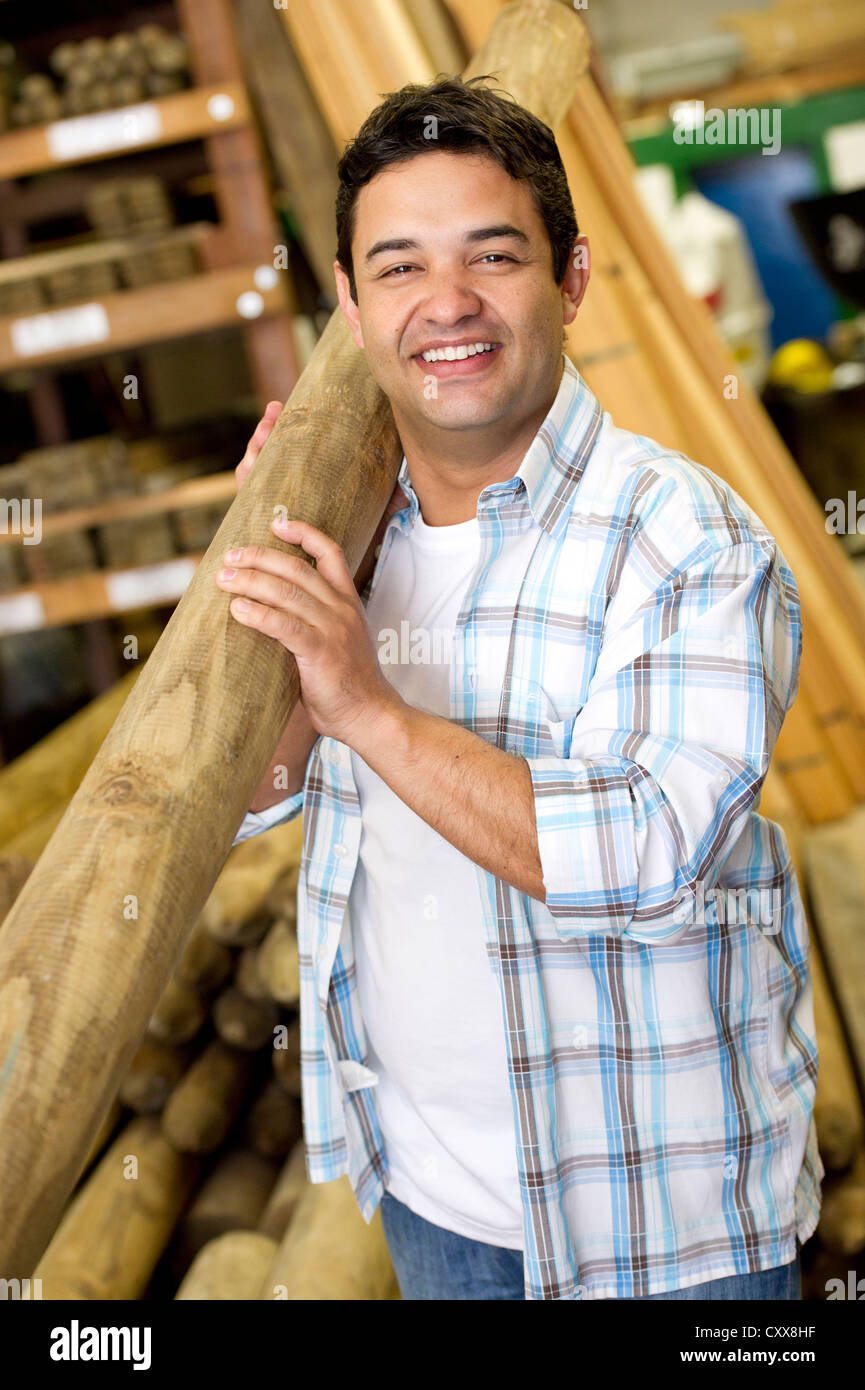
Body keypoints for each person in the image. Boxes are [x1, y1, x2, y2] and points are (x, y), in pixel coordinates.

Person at [218, 76, 822, 1301]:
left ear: (573, 279)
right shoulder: (353, 530)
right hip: (434, 1207)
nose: (444, 304)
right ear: (347, 303)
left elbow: (644, 852)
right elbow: (261, 794)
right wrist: (267, 591)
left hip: (661, 1228)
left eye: (491, 255)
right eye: (395, 268)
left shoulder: (686, 541)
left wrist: (369, 705)